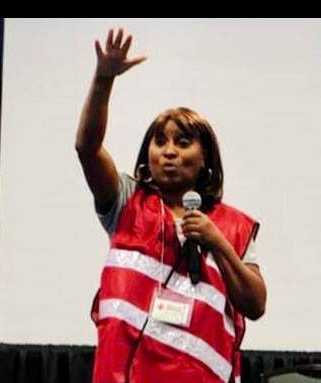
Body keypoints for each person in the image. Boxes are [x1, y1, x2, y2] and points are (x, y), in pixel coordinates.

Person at [75, 28, 266, 383]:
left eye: (182, 142)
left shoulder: (233, 225)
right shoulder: (126, 201)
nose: (169, 151)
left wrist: (216, 241)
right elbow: (87, 148)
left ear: (205, 159)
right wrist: (103, 81)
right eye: (160, 141)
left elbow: (255, 305)